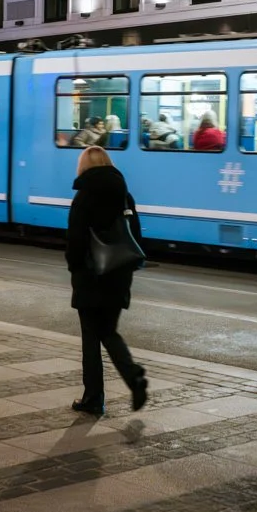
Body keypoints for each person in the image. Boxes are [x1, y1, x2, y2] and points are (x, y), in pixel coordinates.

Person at [66, 146, 149, 416]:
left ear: (84, 167)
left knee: (91, 337)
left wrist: (75, 268)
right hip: (119, 274)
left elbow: (75, 241)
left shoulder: (83, 197)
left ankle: (94, 397)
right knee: (108, 331)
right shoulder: (125, 196)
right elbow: (135, 235)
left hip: (91, 276)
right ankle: (133, 377)